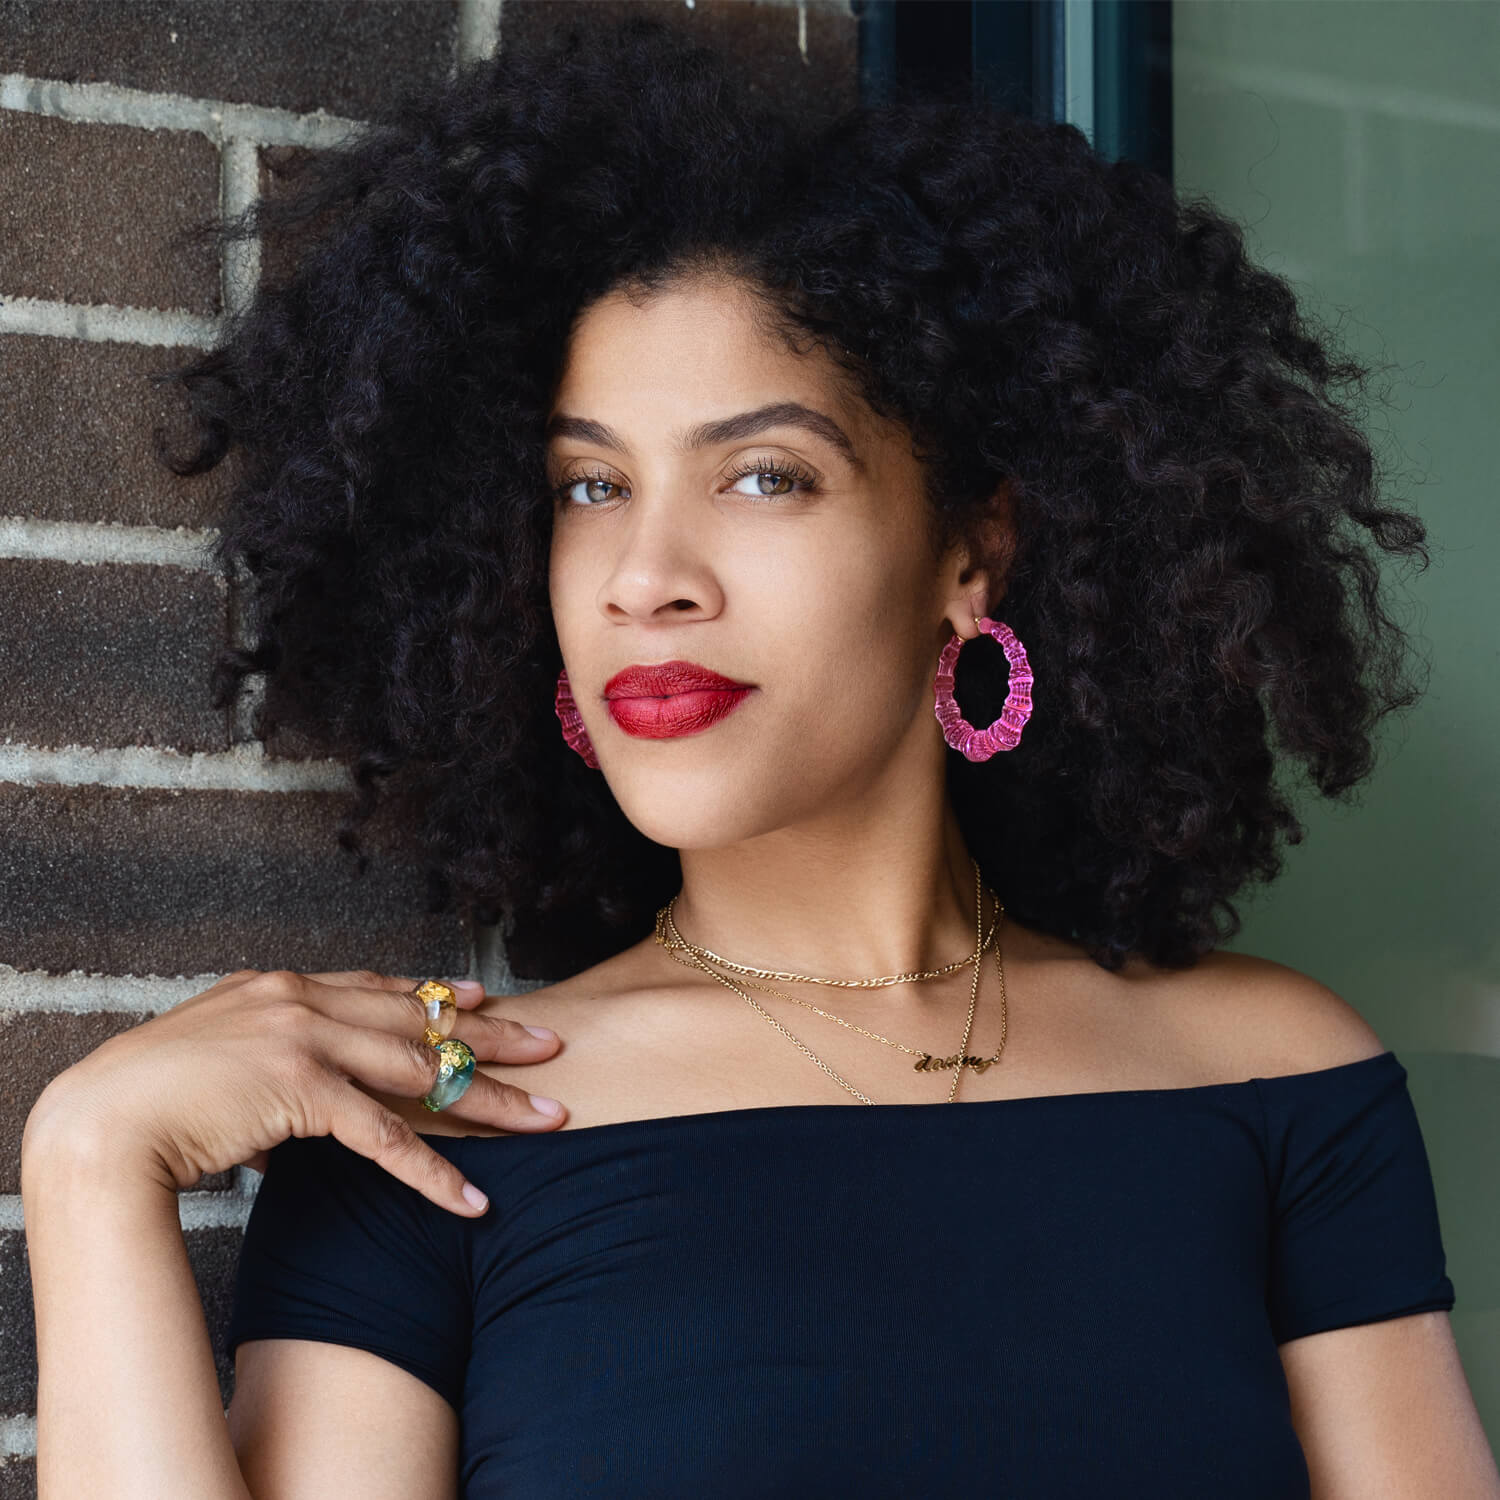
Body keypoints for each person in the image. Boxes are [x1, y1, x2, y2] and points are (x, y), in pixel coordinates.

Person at [21, 14, 1500, 1500]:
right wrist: (91, 1165)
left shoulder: (1277, 1079)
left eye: (764, 474)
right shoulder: (431, 1136)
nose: (644, 573)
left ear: (972, 553)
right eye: (590, 485)